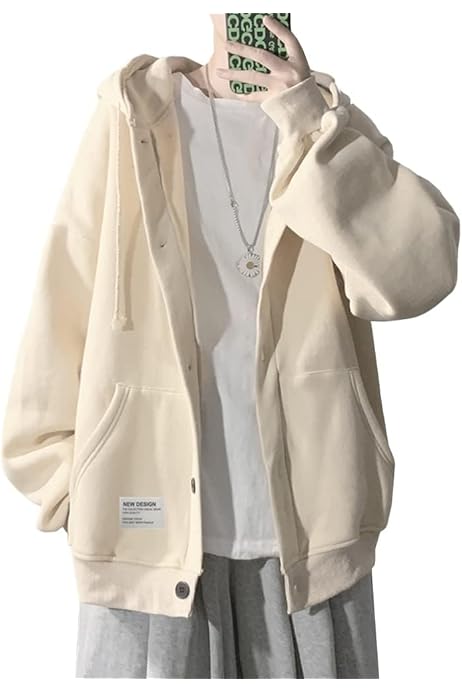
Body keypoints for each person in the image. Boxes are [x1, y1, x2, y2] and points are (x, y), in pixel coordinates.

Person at [1, 13, 459, 679]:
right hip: (146, 547)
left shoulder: (326, 126)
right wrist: (72, 486)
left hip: (314, 551)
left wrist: (308, 119)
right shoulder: (133, 115)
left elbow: (422, 273)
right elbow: (63, 294)